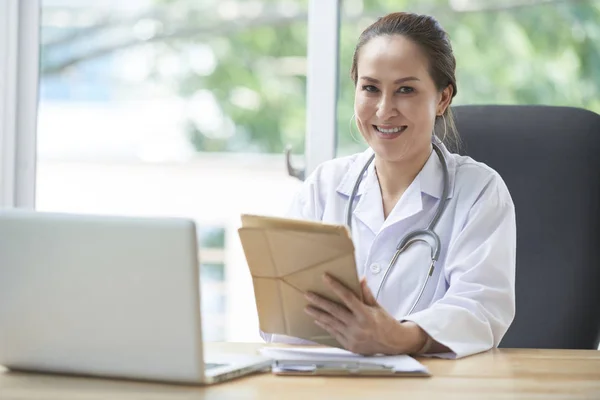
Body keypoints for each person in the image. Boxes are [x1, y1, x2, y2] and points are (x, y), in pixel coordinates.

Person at [262, 12, 516, 359]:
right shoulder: (324, 185)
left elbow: (481, 309)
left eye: (406, 90)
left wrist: (400, 337)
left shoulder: (479, 191)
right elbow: (282, 315)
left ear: (442, 98)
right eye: (370, 88)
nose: (384, 111)